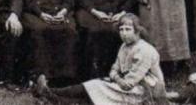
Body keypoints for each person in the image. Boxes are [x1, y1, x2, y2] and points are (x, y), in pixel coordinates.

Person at [34, 13, 166, 105]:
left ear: (137, 31)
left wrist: (115, 78)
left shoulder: (145, 50)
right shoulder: (125, 46)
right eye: (121, 29)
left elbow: (130, 82)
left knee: (97, 89)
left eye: (128, 29)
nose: (124, 33)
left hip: (143, 90)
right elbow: (115, 68)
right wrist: (115, 77)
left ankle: (51, 95)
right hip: (124, 83)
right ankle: (51, 95)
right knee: (94, 87)